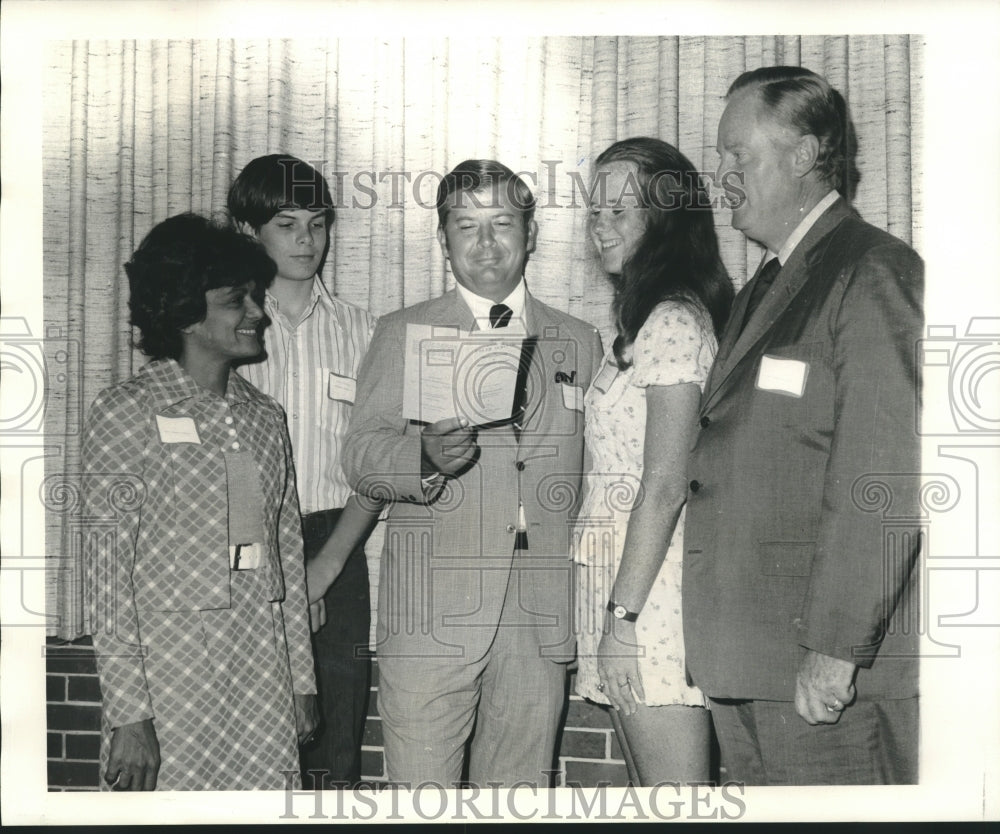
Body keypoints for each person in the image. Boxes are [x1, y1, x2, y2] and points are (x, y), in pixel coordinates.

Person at [683, 66, 923, 784]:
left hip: (824, 677)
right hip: (751, 664)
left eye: (737, 154)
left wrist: (838, 647)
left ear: (806, 154)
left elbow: (886, 475)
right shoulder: (766, 283)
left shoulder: (874, 272)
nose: (720, 173)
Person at [342, 159, 603, 788]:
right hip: (430, 613)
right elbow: (359, 457)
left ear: (531, 234)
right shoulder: (403, 331)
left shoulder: (580, 340)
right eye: (466, 226)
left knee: (517, 800)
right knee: (422, 800)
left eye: (502, 224)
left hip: (537, 612)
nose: (486, 243)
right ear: (443, 240)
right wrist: (424, 459)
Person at [82, 213, 318, 791]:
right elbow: (106, 581)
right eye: (237, 300)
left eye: (255, 297)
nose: (258, 312)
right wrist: (130, 716)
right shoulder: (127, 412)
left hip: (260, 666)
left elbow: (284, 560)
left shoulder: (266, 419)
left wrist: (301, 682)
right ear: (185, 311)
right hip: (169, 673)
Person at [573, 137, 733, 786]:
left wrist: (623, 622)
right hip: (629, 591)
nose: (601, 228)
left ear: (663, 220)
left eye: (621, 212)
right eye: (595, 212)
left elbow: (665, 485)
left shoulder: (671, 321)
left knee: (674, 804)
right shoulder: (642, 322)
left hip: (652, 606)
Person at [230, 154, 379, 789]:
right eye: (287, 225)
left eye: (317, 224)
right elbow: (225, 459)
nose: (306, 241)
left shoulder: (364, 331)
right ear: (249, 232)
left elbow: (378, 466)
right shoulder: (228, 327)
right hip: (242, 539)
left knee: (333, 737)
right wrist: (273, 573)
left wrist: (323, 568)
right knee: (252, 733)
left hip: (338, 541)